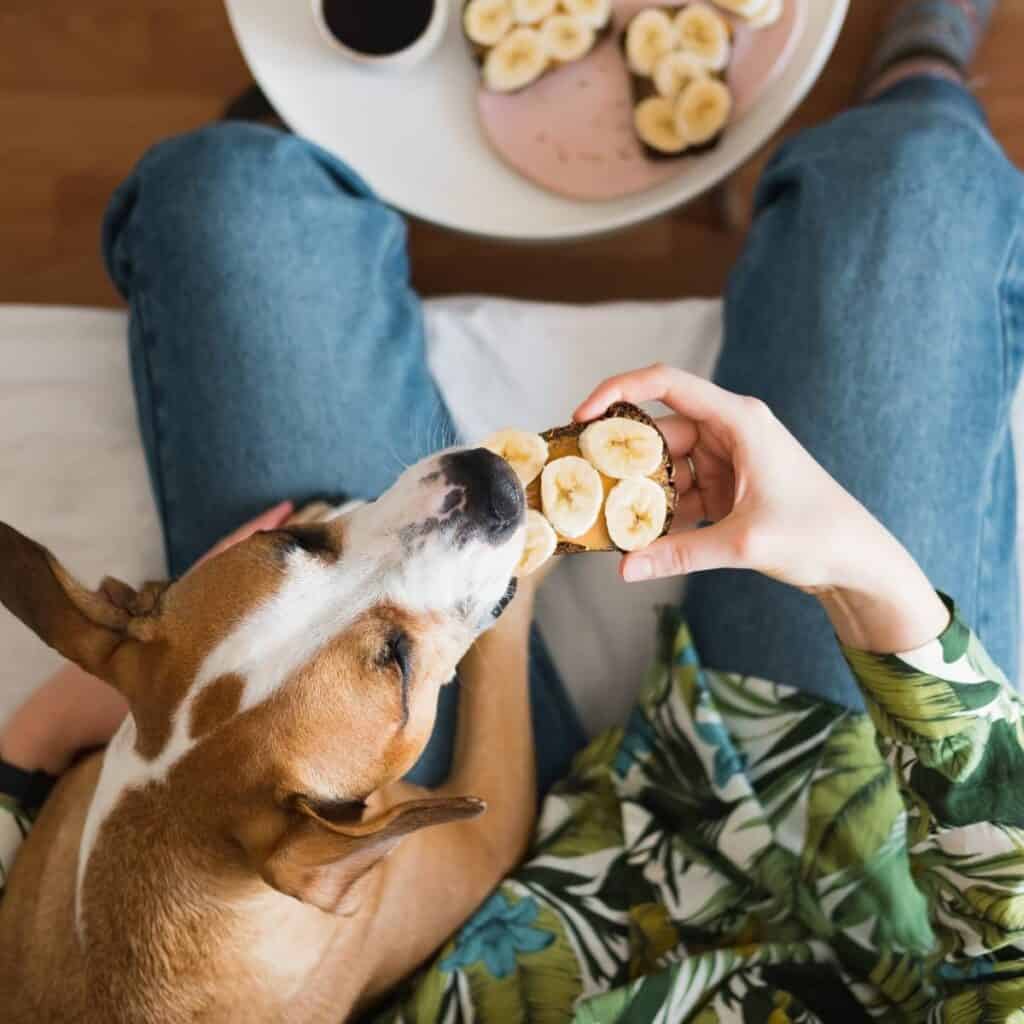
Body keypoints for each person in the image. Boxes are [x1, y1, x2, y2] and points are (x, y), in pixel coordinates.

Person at [4, 0, 1023, 1017]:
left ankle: (305, 139)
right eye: (389, 652)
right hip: (843, 850)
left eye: (303, 546)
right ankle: (922, 66)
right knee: (909, 181)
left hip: (350, 808)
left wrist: (110, 708)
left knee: (223, 193)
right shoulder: (314, 846)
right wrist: (870, 579)